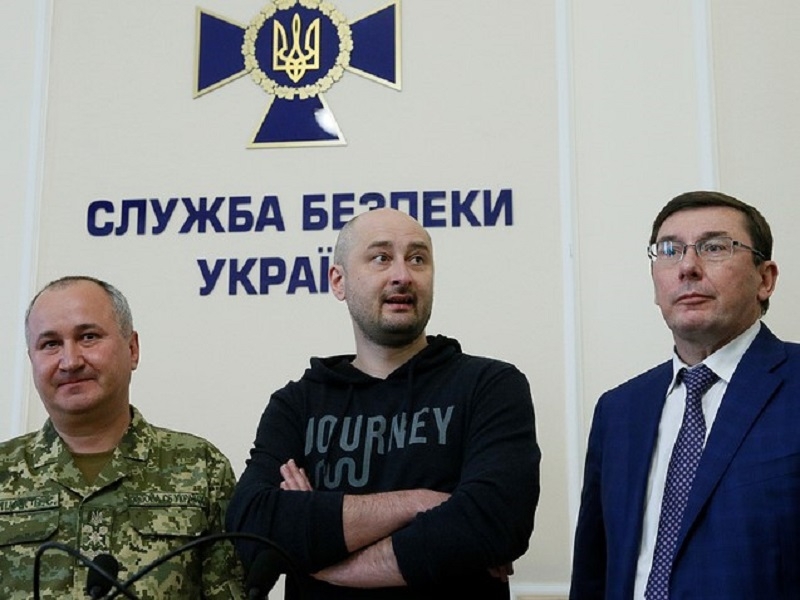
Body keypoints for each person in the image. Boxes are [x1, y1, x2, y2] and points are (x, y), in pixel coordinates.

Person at [226, 207, 541, 599]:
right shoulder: (298, 404)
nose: (402, 275)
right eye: (381, 257)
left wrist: (317, 551)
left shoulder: (490, 386)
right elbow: (252, 527)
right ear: (338, 281)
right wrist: (420, 503)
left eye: (417, 258)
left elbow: (494, 523)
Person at [569, 191, 800, 599]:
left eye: (715, 247)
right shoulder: (619, 411)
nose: (687, 267)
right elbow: (594, 570)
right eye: (669, 250)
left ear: (765, 279)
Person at [0, 276, 244, 599]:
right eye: (50, 344)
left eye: (88, 337)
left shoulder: (202, 469)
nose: (70, 361)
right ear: (32, 359)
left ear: (132, 349)